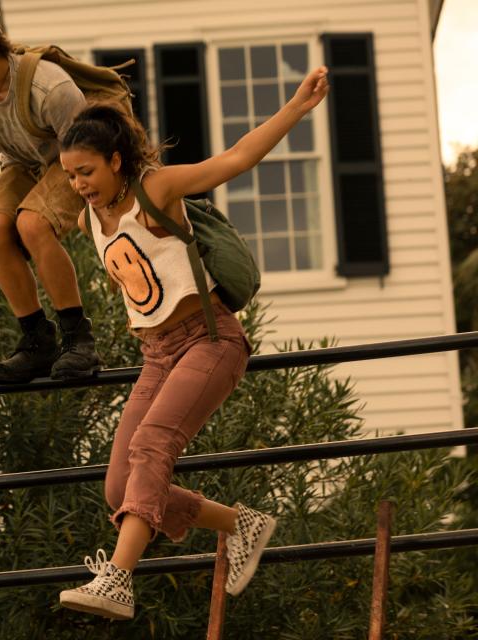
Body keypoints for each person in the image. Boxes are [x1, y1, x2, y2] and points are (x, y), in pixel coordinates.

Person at [56, 66, 330, 619]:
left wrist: (297, 107)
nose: (78, 184)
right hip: (155, 354)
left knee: (152, 449)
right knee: (119, 489)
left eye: (85, 171)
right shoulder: (91, 217)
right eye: (69, 175)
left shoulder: (155, 188)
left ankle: (117, 578)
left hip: (209, 340)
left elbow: (235, 159)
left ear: (115, 161)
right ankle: (241, 524)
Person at [0, 0, 101, 382]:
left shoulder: (50, 86)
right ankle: (37, 342)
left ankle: (79, 341)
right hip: (22, 163)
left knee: (31, 224)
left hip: (72, 159)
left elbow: (90, 154)